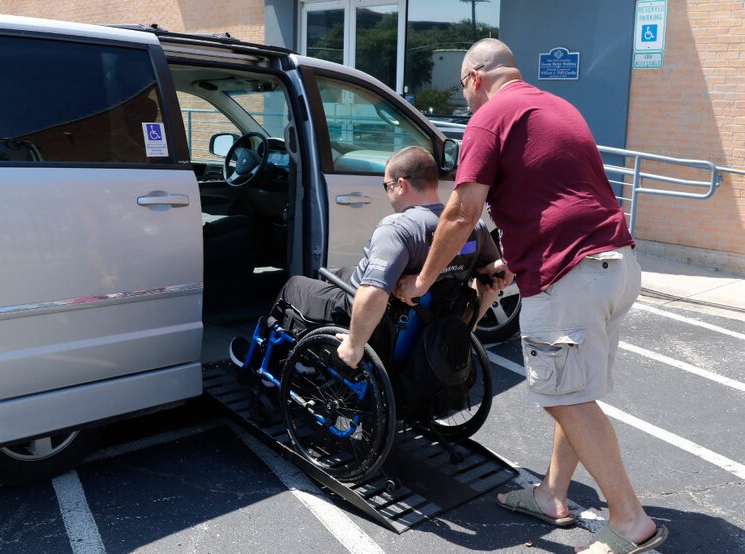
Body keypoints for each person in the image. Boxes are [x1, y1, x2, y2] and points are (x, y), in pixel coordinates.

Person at [394, 39, 667, 554]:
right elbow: (558, 198)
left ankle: (630, 521)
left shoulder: (490, 117)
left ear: (474, 78)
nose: (468, 100)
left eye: (464, 89)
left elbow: (459, 212)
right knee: (574, 393)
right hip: (614, 264)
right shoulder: (557, 107)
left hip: (570, 276)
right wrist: (511, 265)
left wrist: (422, 281)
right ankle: (551, 495)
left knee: (567, 397)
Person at [229, 145, 499, 372]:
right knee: (337, 272)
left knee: (294, 286)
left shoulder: (399, 228)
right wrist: (468, 327)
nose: (387, 192)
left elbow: (373, 293)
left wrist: (354, 346)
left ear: (401, 185)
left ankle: (260, 364)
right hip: (427, 316)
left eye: (386, 186)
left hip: (361, 308)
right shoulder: (471, 228)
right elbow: (494, 278)